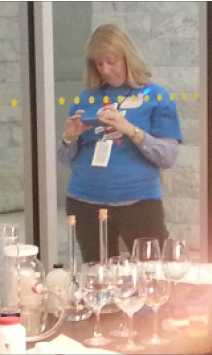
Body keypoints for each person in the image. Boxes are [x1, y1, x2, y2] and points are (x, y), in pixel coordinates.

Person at [57, 24, 182, 263]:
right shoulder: (85, 98)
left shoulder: (156, 97)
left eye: (111, 61)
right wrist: (69, 138)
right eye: (98, 63)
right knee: (98, 277)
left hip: (138, 201)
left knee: (153, 273)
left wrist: (130, 130)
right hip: (84, 201)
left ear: (128, 58)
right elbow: (65, 158)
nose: (105, 70)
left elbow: (168, 157)